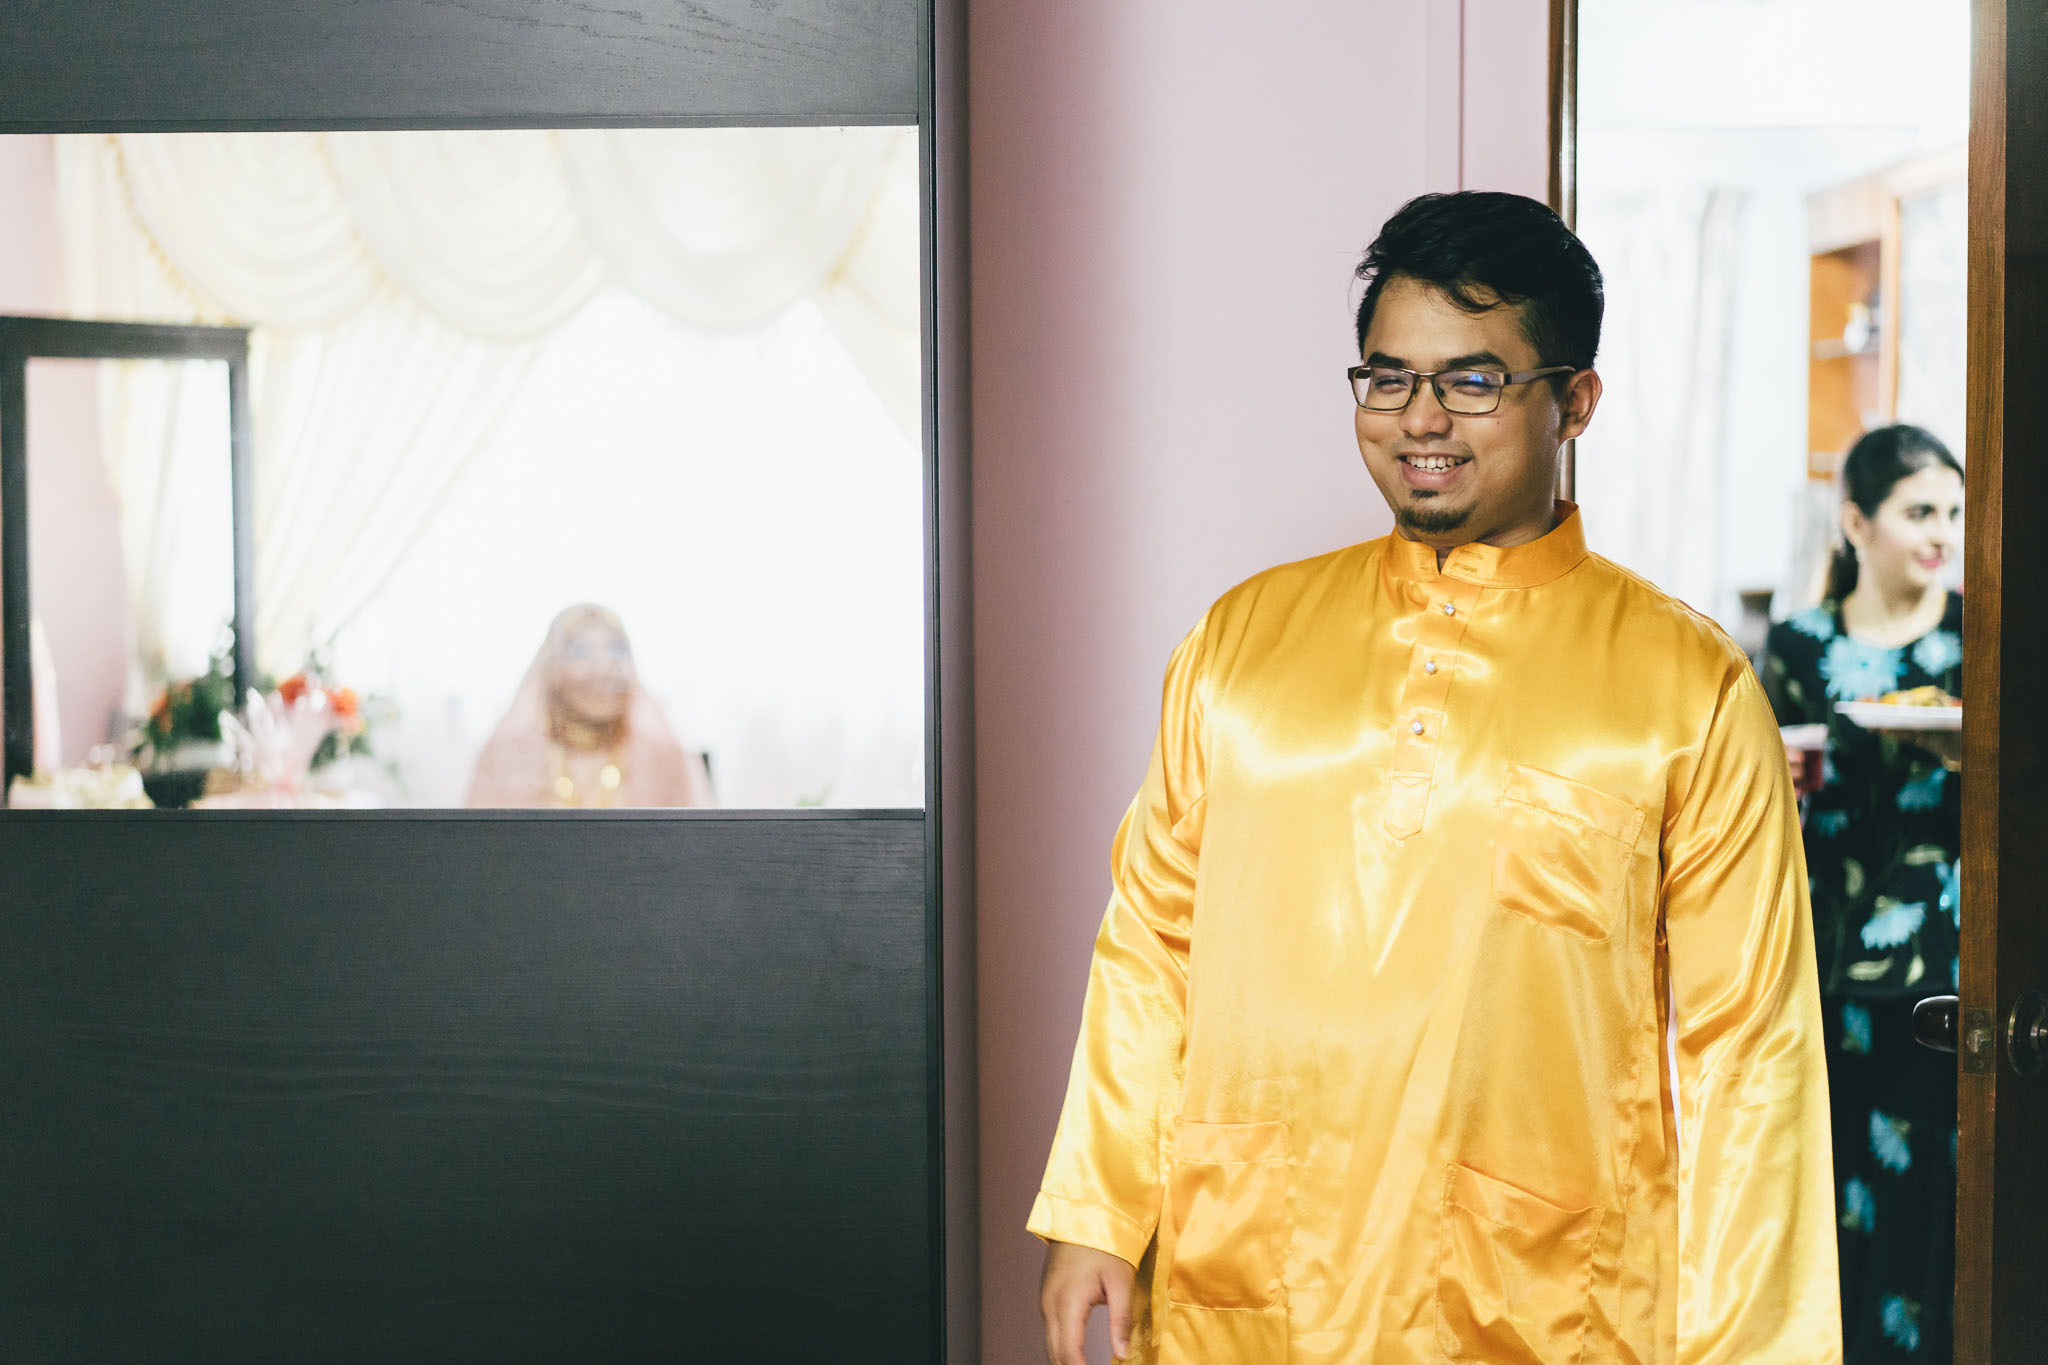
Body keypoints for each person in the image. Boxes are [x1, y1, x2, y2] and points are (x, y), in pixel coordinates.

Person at [1031, 191, 1841, 1364]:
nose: (1419, 419)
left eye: (1471, 381)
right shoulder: (1240, 643)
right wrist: (1095, 1210)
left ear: (1574, 401)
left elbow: (1747, 1050)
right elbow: (1151, 942)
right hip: (1248, 1284)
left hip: (1534, 1308)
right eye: (1386, 378)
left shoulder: (1685, 688)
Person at [1761, 424, 1964, 1363]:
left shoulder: (1977, 639)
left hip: (1940, 957)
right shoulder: (1800, 644)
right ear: (1856, 523)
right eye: (1920, 512)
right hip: (1826, 945)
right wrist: (1777, 778)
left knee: (1925, 1177)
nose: (1943, 533)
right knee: (1827, 1167)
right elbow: (1758, 791)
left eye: (1952, 512)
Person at [465, 604, 713, 808]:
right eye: (581, 651)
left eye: (616, 649)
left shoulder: (663, 757)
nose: (603, 668)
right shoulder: (507, 758)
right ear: (551, 668)